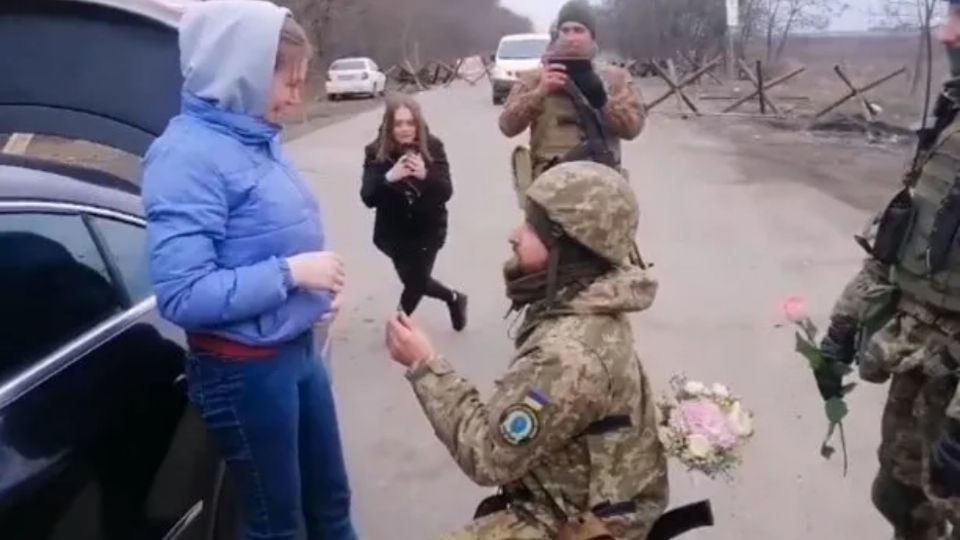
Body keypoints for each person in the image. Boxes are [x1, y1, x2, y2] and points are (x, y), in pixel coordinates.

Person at [142, 2, 357, 539]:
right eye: (286, 81)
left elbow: (263, 240)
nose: (295, 95)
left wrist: (313, 299)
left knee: (330, 503)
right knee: (276, 524)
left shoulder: (256, 136)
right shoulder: (185, 157)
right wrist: (291, 274)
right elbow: (183, 294)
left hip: (297, 352)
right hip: (244, 371)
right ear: (242, 71)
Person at [386, 161, 668, 539]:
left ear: (567, 247)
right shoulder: (592, 298)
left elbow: (489, 456)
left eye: (532, 227)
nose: (514, 235)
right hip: (588, 498)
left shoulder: (567, 354)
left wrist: (424, 364)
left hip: (571, 521)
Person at [816, 2, 960, 537]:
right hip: (921, 358)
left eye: (957, 19)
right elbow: (896, 240)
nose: (946, 33)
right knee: (901, 501)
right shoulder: (949, 121)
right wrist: (842, 327)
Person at [499, 0, 645, 200]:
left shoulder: (615, 78)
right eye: (565, 30)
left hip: (602, 190)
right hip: (550, 189)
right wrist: (540, 93)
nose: (570, 37)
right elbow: (507, 126)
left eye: (578, 30)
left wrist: (601, 99)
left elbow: (632, 129)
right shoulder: (535, 78)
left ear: (592, 36)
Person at [361, 95, 468, 330]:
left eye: (410, 123)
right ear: (389, 126)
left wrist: (425, 175)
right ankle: (454, 298)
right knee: (415, 281)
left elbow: (445, 191)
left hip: (427, 230)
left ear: (418, 123)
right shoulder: (376, 152)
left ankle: (398, 326)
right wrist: (389, 177)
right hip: (393, 232)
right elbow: (368, 197)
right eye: (399, 124)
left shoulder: (433, 147)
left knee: (415, 283)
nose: (405, 129)